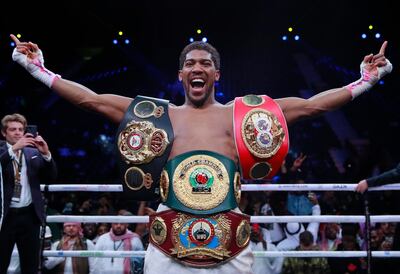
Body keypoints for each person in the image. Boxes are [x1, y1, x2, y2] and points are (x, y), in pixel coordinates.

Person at [9, 34, 392, 273]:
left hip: (230, 246)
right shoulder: (159, 117)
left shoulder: (244, 115)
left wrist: (365, 80)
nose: (197, 68)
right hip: (167, 246)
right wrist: (39, 69)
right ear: (180, 76)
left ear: (216, 75)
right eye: (190, 64)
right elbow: (92, 100)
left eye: (205, 63)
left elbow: (312, 106)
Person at [0, 113, 57, 274]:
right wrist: (14, 149)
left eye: (20, 129)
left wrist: (46, 154)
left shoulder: (32, 152)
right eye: (13, 129)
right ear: (4, 133)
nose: (18, 132)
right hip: (4, 217)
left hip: (29, 216)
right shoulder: (1, 150)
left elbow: (51, 176)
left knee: (30, 265)